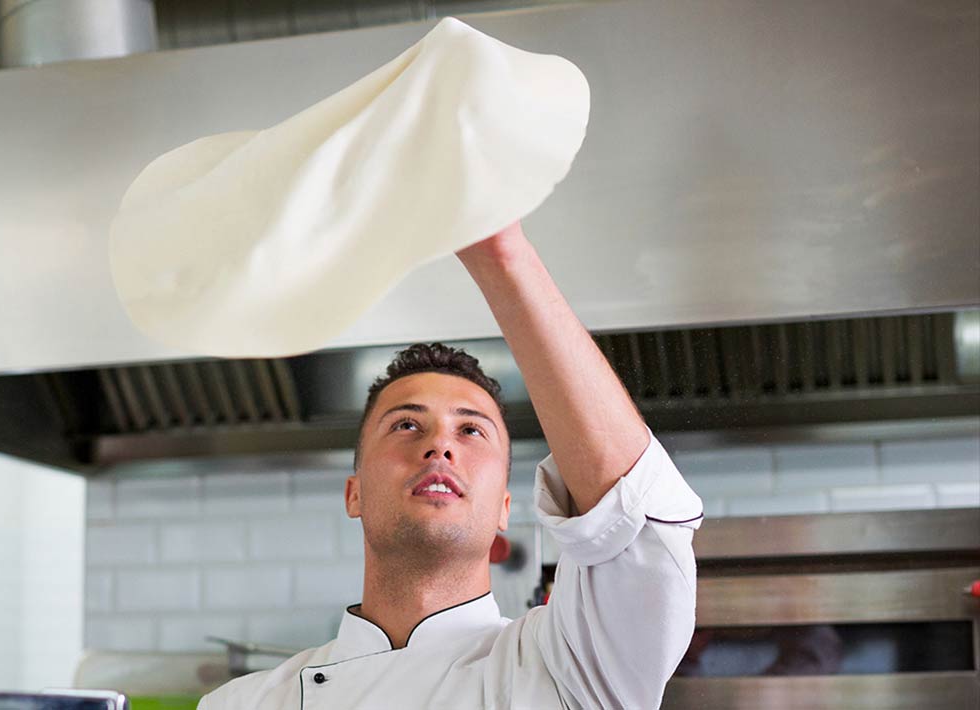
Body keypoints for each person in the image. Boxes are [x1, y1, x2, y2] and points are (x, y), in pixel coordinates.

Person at [198, 221, 704, 709]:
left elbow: (633, 518)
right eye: (406, 426)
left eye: (471, 430)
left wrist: (502, 254)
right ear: (354, 493)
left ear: (506, 508)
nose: (440, 446)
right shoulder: (242, 704)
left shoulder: (567, 668)